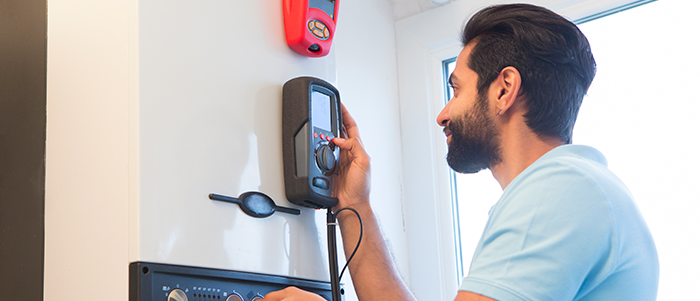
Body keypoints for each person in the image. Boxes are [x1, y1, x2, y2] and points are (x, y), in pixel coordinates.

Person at [264, 3, 659, 301]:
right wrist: (356, 206)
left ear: (504, 89)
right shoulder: (580, 189)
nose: (442, 114)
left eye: (456, 89)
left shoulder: (557, 192)